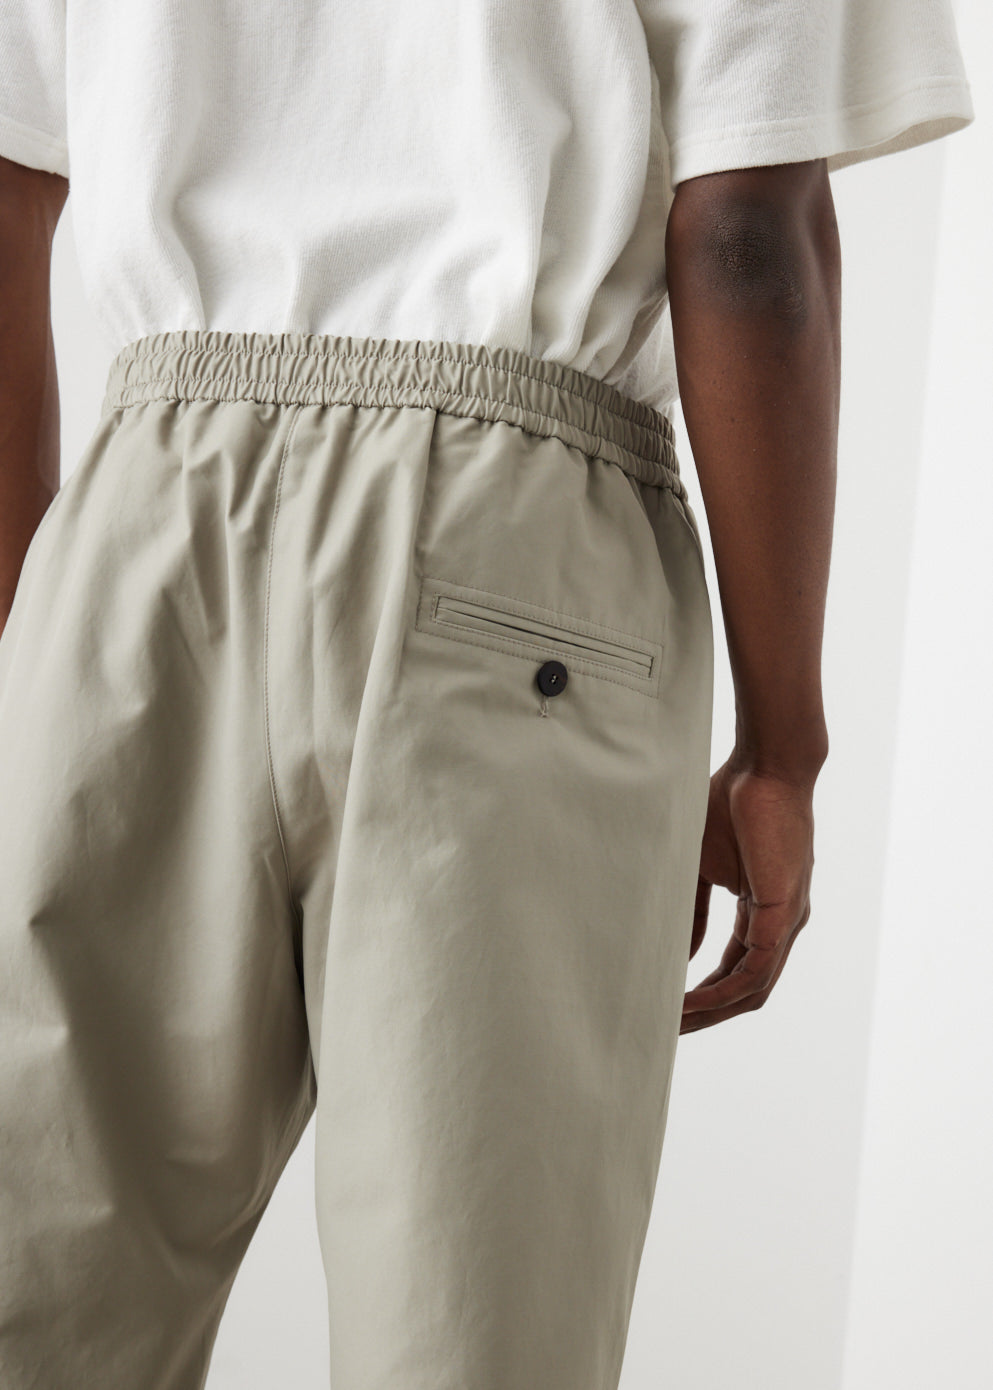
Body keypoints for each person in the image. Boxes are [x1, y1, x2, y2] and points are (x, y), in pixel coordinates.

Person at [0, 3, 974, 1387]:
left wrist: (43, 657)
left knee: (34, 1299)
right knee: (474, 1340)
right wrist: (781, 749)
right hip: (513, 532)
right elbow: (747, 234)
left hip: (137, 527)